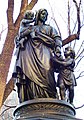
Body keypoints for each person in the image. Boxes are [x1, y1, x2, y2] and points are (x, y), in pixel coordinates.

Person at [12, 8, 62, 103]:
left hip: (44, 52)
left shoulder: (50, 28)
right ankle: (32, 98)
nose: (45, 16)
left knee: (47, 70)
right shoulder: (30, 28)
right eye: (43, 14)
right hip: (29, 54)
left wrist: (58, 47)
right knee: (29, 75)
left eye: (46, 14)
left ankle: (49, 97)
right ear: (38, 15)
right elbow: (19, 37)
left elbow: (57, 38)